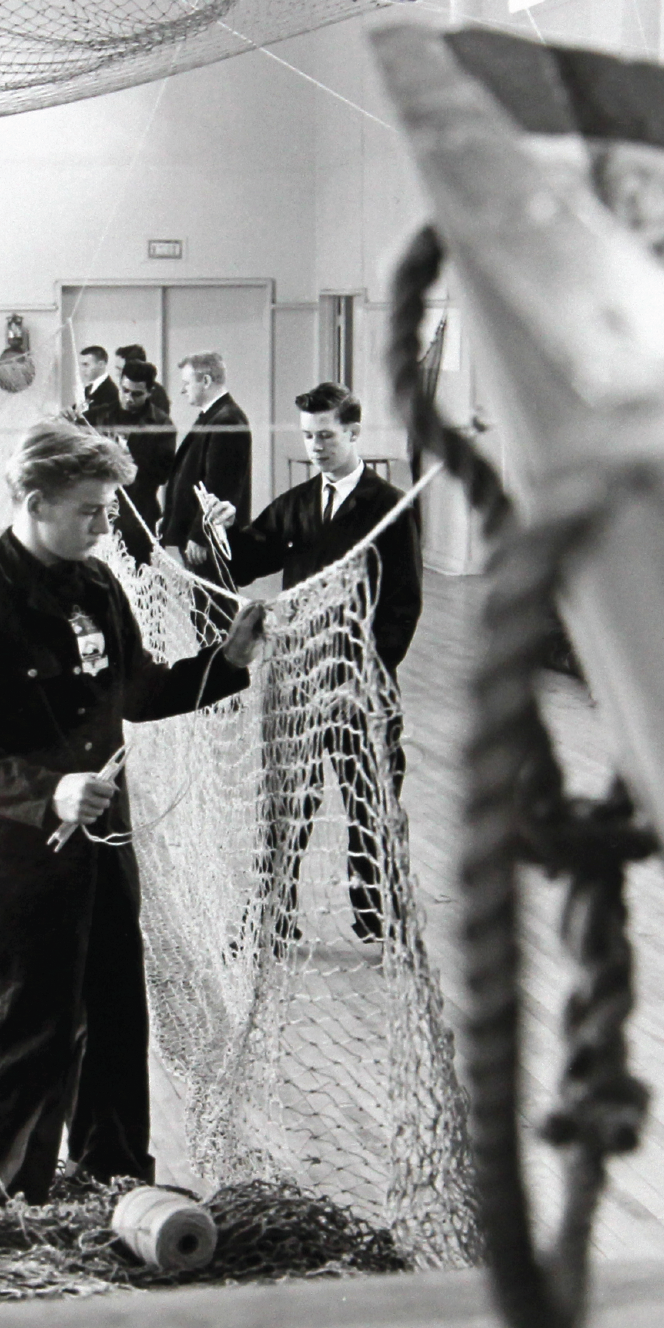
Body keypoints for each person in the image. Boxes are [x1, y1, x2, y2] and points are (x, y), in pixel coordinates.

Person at [0, 420, 266, 1206]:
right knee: (27, 1036)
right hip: (18, 858)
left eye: (109, 510)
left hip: (104, 848)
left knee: (116, 1021)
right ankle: (6, 1212)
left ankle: (118, 1191)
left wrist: (226, 663)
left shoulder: (98, 586)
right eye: (90, 511)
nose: (106, 525)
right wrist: (51, 791)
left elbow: (137, 688)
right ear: (36, 501)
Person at [199, 383, 422, 943]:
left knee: (370, 807)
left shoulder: (389, 507)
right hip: (296, 683)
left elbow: (402, 603)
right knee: (283, 809)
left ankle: (379, 923)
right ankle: (274, 920)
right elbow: (250, 560)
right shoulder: (297, 505)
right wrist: (224, 530)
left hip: (359, 689)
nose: (316, 446)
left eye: (326, 435)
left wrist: (364, 670)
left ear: (353, 433)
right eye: (308, 436)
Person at [157, 352, 252, 585]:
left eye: (187, 383)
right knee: (203, 607)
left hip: (208, 540)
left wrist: (201, 535)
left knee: (213, 611)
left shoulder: (226, 419)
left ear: (206, 381)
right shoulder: (215, 416)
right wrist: (170, 517)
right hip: (199, 534)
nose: (183, 390)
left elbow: (220, 485)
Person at [110, 354, 174, 564]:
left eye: (136, 394)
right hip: (103, 512)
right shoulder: (101, 416)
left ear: (150, 392)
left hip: (140, 516)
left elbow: (163, 474)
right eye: (124, 391)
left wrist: (133, 464)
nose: (128, 398)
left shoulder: (162, 425)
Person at [75, 344, 123, 428]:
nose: (82, 369)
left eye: (86, 365)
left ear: (101, 365)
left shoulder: (110, 391)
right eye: (81, 365)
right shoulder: (88, 389)